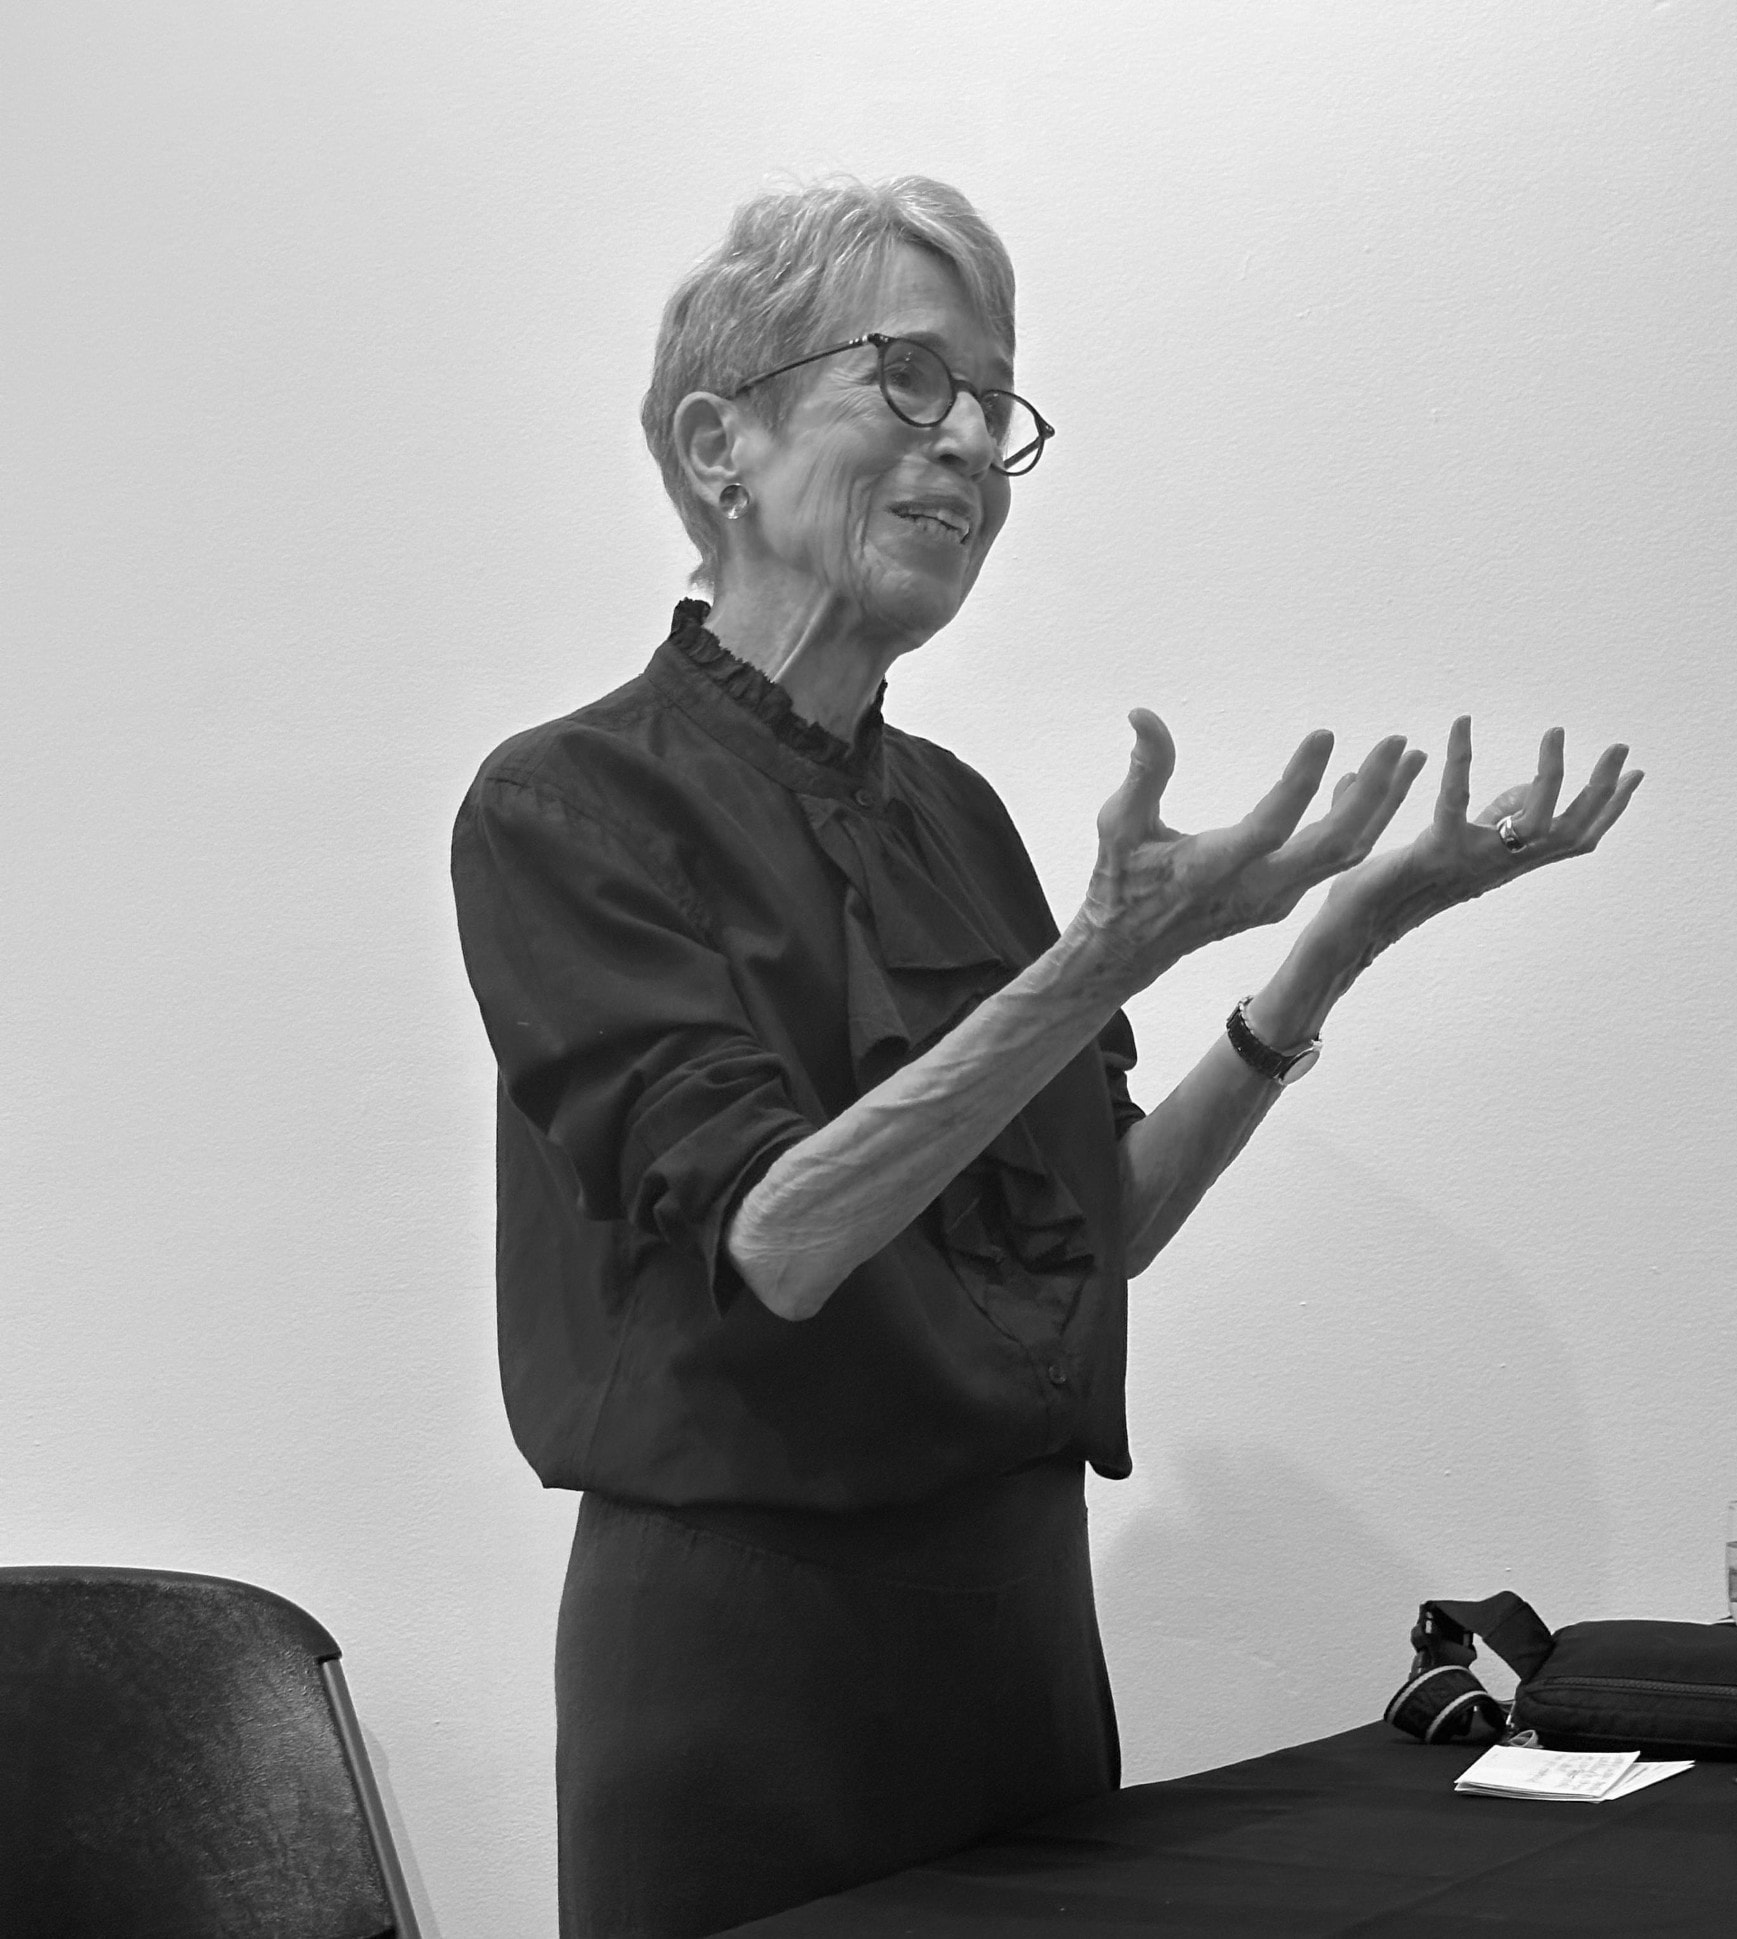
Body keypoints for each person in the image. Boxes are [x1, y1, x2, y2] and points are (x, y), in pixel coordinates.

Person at [450, 175, 1641, 1938]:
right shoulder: (567, 803)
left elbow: (1108, 1224)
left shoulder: (959, 818)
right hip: (744, 1655)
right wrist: (1100, 961)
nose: (965, 449)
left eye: (992, 407)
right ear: (721, 442)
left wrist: (1328, 950)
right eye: (908, 381)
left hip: (1013, 1627)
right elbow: (775, 1241)